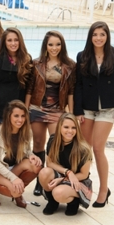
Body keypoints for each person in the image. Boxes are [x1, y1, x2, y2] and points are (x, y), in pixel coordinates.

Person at [74, 22, 114, 208]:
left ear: (107, 36)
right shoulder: (82, 56)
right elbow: (78, 85)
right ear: (90, 36)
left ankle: (104, 190)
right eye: (95, 34)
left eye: (102, 34)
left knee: (98, 149)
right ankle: (82, 185)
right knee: (85, 149)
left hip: (107, 108)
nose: (98, 38)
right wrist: (78, 110)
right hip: (87, 108)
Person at [25, 30, 75, 196]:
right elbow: (30, 89)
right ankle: (40, 181)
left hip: (57, 110)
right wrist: (25, 109)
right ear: (45, 46)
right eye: (51, 44)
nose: (54, 48)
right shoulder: (36, 63)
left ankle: (53, 179)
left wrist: (71, 114)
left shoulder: (70, 66)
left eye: (58, 44)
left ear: (62, 45)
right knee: (38, 144)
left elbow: (71, 92)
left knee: (55, 145)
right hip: (37, 109)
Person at [0, 100, 42, 208]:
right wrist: (13, 178)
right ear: (8, 116)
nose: (20, 120)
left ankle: (19, 188)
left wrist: (32, 155)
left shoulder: (26, 131)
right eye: (16, 116)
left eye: (23, 116)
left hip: (13, 168)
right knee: (14, 192)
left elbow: (27, 151)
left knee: (36, 165)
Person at [38, 114, 93, 216]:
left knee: (58, 193)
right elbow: (49, 163)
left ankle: (74, 202)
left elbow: (84, 174)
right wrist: (67, 172)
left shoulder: (83, 148)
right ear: (59, 127)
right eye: (66, 127)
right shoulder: (53, 140)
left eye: (73, 128)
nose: (70, 131)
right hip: (64, 174)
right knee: (44, 173)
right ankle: (52, 202)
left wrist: (63, 179)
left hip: (78, 180)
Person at [0, 28, 32, 126]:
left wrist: (26, 108)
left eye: (16, 40)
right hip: (2, 109)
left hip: (20, 108)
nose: (13, 43)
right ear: (4, 42)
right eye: (9, 40)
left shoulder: (27, 59)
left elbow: (29, 87)